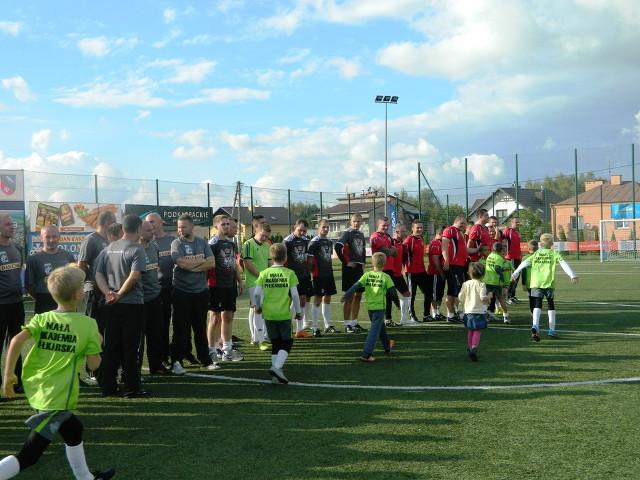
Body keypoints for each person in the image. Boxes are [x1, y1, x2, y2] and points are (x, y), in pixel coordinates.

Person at [0, 264, 115, 480]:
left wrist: (8, 376)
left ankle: (86, 478)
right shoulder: (88, 325)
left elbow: (15, 341)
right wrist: (97, 343)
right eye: (82, 286)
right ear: (78, 295)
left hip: (39, 388)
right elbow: (94, 365)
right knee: (29, 456)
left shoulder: (43, 318)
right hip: (56, 397)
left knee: (73, 429)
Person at [94, 214, 147, 397]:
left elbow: (98, 274)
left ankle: (108, 386)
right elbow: (134, 276)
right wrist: (119, 294)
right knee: (131, 347)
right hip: (131, 304)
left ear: (123, 228)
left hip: (110, 304)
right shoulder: (137, 249)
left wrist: (108, 293)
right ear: (138, 229)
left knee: (110, 346)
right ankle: (132, 387)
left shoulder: (108, 248)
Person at [511, 233, 578, 341]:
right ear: (551, 244)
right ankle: (551, 330)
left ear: (540, 244)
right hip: (548, 283)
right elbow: (563, 264)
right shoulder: (554, 253)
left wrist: (515, 273)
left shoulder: (536, 253)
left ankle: (535, 325)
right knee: (550, 304)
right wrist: (572, 275)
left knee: (537, 304)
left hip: (536, 283)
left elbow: (525, 263)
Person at [170, 215, 215, 374]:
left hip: (201, 292)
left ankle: (205, 359)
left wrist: (192, 266)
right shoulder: (176, 243)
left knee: (200, 328)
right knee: (180, 329)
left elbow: (212, 263)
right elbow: (181, 263)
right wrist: (201, 263)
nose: (180, 230)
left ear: (192, 227)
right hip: (181, 292)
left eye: (184, 227)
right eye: (179, 227)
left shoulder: (202, 242)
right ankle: (176, 360)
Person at [254, 243, 302, 384]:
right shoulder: (289, 273)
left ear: (271, 257)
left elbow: (256, 293)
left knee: (275, 343)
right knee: (287, 342)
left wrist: (258, 306)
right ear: (285, 257)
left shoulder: (264, 273)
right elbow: (295, 295)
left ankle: (275, 377)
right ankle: (276, 368)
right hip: (283, 314)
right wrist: (298, 312)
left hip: (268, 314)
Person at [342, 252, 397, 363]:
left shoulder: (367, 275)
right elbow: (393, 293)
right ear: (385, 263)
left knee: (380, 327)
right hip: (379, 308)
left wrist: (346, 295)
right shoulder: (386, 277)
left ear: (372, 263)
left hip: (370, 308)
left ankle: (387, 345)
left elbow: (355, 286)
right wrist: (398, 303)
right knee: (374, 331)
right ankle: (366, 354)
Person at [209, 215, 244, 362]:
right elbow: (208, 266)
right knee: (215, 318)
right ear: (216, 226)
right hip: (216, 286)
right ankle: (212, 350)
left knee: (228, 317)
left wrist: (239, 280)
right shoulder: (212, 244)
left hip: (230, 285)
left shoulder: (231, 243)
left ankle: (227, 350)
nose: (227, 226)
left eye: (228, 224)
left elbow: (234, 264)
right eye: (223, 224)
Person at [139, 221, 171, 375]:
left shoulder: (154, 247)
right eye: (148, 230)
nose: (152, 232)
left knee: (156, 334)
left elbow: (155, 269)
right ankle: (134, 370)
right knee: (138, 338)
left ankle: (156, 365)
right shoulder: (134, 249)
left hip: (155, 297)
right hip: (139, 300)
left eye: (152, 229)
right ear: (139, 231)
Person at [145, 213, 176, 369]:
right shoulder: (146, 243)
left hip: (174, 287)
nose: (150, 225)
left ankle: (177, 353)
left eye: (152, 221)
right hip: (156, 290)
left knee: (177, 323)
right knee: (159, 326)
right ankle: (162, 357)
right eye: (147, 222)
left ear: (161, 222)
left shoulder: (172, 241)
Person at [0, 213, 25, 394]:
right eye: (8, 224)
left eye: (12, 224)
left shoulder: (17, 247)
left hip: (17, 304)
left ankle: (16, 382)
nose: (12, 227)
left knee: (16, 344)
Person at [26, 226, 75, 314]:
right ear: (41, 238)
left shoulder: (68, 256)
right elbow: (29, 285)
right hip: (44, 300)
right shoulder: (33, 259)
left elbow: (74, 280)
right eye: (47, 237)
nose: (51, 240)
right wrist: (41, 297)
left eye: (54, 236)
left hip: (65, 299)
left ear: (59, 237)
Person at [77, 211, 116, 318]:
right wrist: (83, 286)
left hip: (109, 288)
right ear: (108, 222)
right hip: (94, 290)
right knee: (93, 322)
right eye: (115, 222)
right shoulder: (91, 239)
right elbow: (81, 265)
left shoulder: (112, 240)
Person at [335, 213, 367, 333]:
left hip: (359, 269)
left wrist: (363, 262)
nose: (356, 223)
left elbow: (363, 249)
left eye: (358, 221)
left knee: (358, 295)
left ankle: (354, 322)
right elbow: (337, 247)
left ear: (361, 222)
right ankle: (347, 324)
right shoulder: (347, 233)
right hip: (349, 269)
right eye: (354, 221)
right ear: (350, 222)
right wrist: (346, 262)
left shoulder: (361, 234)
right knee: (349, 296)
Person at [241, 223, 272, 348]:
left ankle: (257, 337)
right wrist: (261, 276)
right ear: (255, 231)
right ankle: (260, 339)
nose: (264, 238)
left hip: (264, 282)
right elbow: (247, 264)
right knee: (258, 309)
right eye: (262, 235)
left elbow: (270, 263)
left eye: (266, 236)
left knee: (260, 309)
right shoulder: (248, 244)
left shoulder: (267, 245)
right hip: (254, 282)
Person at [307, 219, 339, 335]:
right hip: (318, 275)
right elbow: (310, 261)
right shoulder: (314, 242)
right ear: (318, 228)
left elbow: (327, 258)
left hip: (328, 274)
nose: (326, 229)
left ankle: (327, 325)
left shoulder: (329, 241)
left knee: (328, 298)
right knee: (317, 299)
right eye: (323, 227)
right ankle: (315, 327)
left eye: (327, 227)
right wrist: (311, 274)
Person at [370, 217, 402, 327]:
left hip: (389, 269)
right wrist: (390, 250)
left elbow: (395, 253)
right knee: (378, 296)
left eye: (387, 225)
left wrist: (390, 251)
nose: (386, 227)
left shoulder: (387, 236)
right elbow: (387, 251)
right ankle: (376, 320)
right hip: (379, 270)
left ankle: (388, 319)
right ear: (378, 225)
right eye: (383, 225)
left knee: (389, 295)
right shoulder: (375, 237)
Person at [283, 219, 313, 338]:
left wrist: (308, 270)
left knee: (302, 300)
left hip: (303, 275)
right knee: (289, 300)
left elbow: (307, 257)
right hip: (291, 275)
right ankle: (287, 326)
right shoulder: (287, 241)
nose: (302, 233)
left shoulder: (306, 241)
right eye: (300, 230)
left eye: (304, 231)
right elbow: (283, 260)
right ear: (294, 227)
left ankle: (299, 330)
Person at [458, 262, 491, 362]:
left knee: (470, 330)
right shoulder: (481, 285)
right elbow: (482, 298)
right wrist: (488, 297)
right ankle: (474, 347)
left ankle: (470, 348)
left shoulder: (465, 284)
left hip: (468, 311)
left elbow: (460, 297)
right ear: (483, 274)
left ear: (469, 273)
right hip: (479, 312)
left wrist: (460, 309)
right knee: (477, 330)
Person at [441, 216, 468, 322]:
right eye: (461, 223)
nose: (463, 225)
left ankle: (451, 315)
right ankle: (461, 315)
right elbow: (444, 246)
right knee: (458, 290)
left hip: (459, 266)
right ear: (455, 221)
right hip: (453, 265)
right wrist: (446, 260)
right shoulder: (450, 230)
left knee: (452, 291)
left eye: (465, 224)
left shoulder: (459, 233)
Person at [401, 219, 428, 324]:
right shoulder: (408, 240)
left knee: (428, 292)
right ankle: (412, 316)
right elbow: (402, 256)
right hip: (411, 272)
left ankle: (426, 315)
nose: (420, 229)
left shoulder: (421, 239)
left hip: (422, 271)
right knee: (412, 295)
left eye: (421, 227)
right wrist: (404, 269)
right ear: (412, 228)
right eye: (417, 228)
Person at [388, 224, 411, 326]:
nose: (405, 233)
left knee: (406, 293)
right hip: (390, 274)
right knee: (389, 297)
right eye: (403, 231)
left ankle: (404, 319)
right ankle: (388, 319)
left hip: (398, 274)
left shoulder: (402, 243)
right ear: (397, 232)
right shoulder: (390, 242)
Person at [483, 243, 511, 324]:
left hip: (487, 281)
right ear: (500, 250)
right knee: (501, 298)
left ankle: (484, 314)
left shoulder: (490, 255)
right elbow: (497, 268)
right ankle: (506, 316)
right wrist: (502, 279)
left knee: (487, 298)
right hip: (495, 281)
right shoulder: (499, 258)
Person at [426, 226, 446, 321]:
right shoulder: (435, 243)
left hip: (440, 273)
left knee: (440, 293)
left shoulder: (441, 243)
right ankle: (434, 313)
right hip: (435, 273)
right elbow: (435, 260)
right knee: (435, 293)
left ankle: (437, 312)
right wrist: (441, 273)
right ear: (440, 233)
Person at [503, 217, 522, 304]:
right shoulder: (508, 230)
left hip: (517, 258)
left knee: (516, 277)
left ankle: (512, 295)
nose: (518, 224)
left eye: (519, 222)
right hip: (511, 257)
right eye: (516, 222)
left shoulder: (517, 232)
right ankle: (508, 296)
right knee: (512, 277)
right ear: (512, 223)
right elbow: (503, 240)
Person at [521, 240, 538, 315]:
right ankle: (536, 313)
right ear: (538, 248)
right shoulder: (540, 258)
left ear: (528, 248)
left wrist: (523, 283)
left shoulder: (525, 258)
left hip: (529, 282)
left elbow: (523, 272)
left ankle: (533, 313)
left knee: (531, 298)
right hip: (539, 282)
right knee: (537, 298)